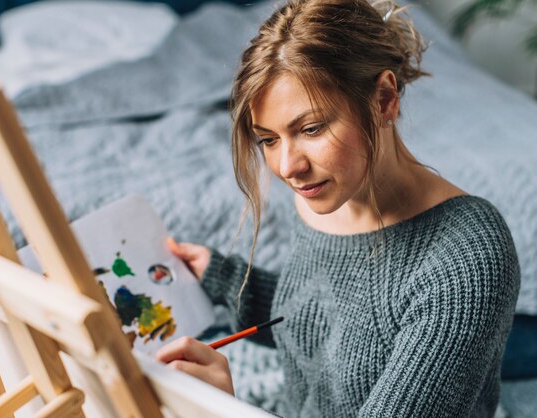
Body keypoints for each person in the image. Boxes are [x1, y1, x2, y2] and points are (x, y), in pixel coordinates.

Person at [155, 0, 520, 416]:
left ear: (384, 99)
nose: (289, 167)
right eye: (268, 140)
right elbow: (334, 319)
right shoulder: (318, 198)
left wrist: (220, 409)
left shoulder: (466, 256)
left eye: (311, 129)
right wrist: (225, 279)